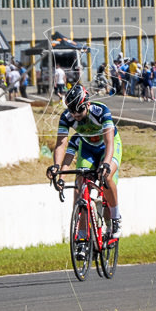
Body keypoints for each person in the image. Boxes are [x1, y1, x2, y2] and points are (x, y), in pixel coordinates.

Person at [46, 84, 123, 259]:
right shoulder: (66, 117)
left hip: (107, 147)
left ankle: (116, 218)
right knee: (81, 186)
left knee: (107, 175)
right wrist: (57, 168)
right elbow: (61, 144)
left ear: (86, 104)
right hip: (87, 149)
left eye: (78, 113)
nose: (75, 116)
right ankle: (82, 240)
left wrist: (105, 164)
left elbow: (110, 142)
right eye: (72, 113)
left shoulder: (101, 111)